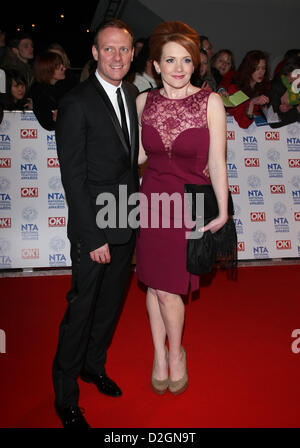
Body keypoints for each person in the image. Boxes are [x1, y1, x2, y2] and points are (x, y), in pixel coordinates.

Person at [52, 19, 139, 428]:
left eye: (123, 49)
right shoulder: (77, 102)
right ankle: (65, 394)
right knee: (82, 308)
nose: (117, 57)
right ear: (94, 53)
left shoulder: (133, 93)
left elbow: (127, 165)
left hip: (126, 217)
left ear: (132, 53)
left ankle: (93, 367)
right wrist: (93, 235)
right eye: (109, 49)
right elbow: (74, 176)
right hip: (95, 225)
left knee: (109, 307)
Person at [135, 21, 228, 395]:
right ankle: (160, 354)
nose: (178, 67)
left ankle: (177, 355)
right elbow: (138, 156)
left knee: (169, 289)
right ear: (155, 64)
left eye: (186, 60)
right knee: (154, 285)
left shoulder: (211, 102)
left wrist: (223, 211)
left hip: (189, 203)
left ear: (196, 64)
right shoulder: (144, 101)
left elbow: (218, 162)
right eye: (169, 60)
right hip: (151, 202)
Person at [226, 50, 270, 128]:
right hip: (238, 136)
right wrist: (252, 103)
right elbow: (243, 124)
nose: (261, 72)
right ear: (248, 69)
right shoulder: (235, 90)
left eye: (263, 68)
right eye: (257, 68)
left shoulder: (264, 87)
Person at [29, 51, 67, 130]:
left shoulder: (62, 87)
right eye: (58, 67)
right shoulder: (39, 92)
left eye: (62, 65)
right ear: (48, 70)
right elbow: (48, 123)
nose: (64, 68)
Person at [268, 55, 300, 128]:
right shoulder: (275, 87)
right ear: (292, 74)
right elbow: (274, 122)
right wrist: (297, 109)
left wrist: (291, 107)